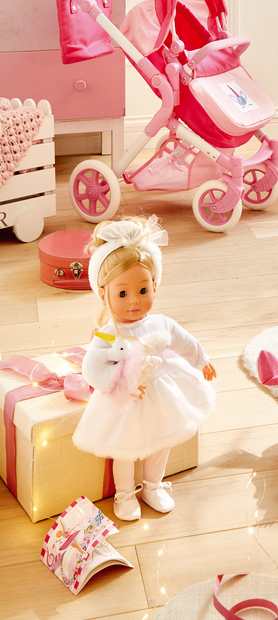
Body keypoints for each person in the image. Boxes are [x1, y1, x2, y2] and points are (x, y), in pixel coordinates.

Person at [72, 215, 216, 521]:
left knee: (161, 442)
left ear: (155, 286)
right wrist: (117, 382)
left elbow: (184, 341)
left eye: (143, 290)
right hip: (125, 402)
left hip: (162, 392)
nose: (134, 301)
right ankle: (124, 494)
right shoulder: (108, 334)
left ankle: (153, 486)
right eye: (122, 293)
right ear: (104, 294)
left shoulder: (161, 322)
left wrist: (201, 360)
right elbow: (92, 366)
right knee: (125, 449)